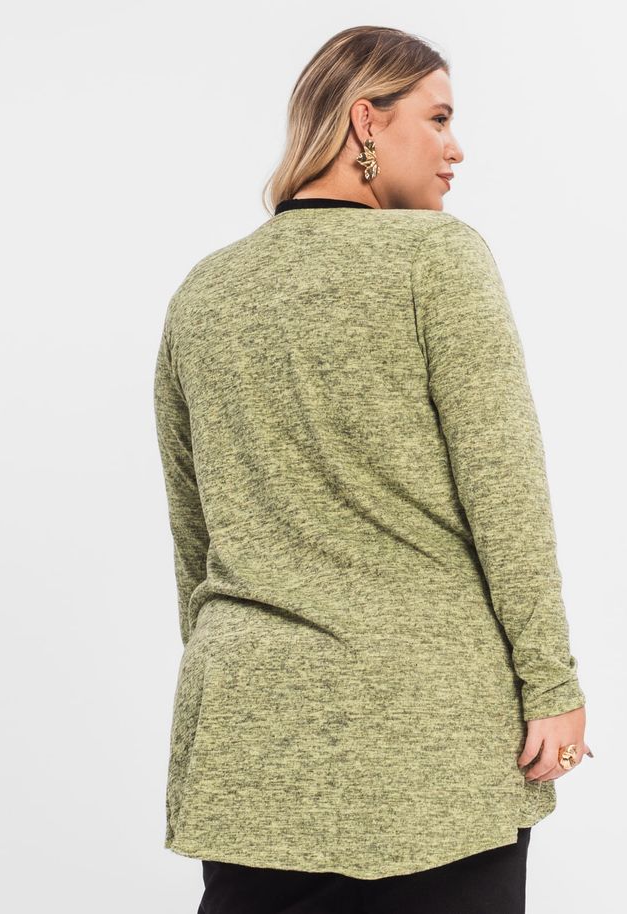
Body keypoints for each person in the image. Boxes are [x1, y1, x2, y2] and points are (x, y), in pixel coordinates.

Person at [153, 25, 593, 914]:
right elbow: (504, 492)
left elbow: (195, 533)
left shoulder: (204, 291)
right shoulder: (437, 258)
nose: (456, 148)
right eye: (438, 118)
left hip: (249, 729)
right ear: (365, 121)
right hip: (426, 736)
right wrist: (551, 683)